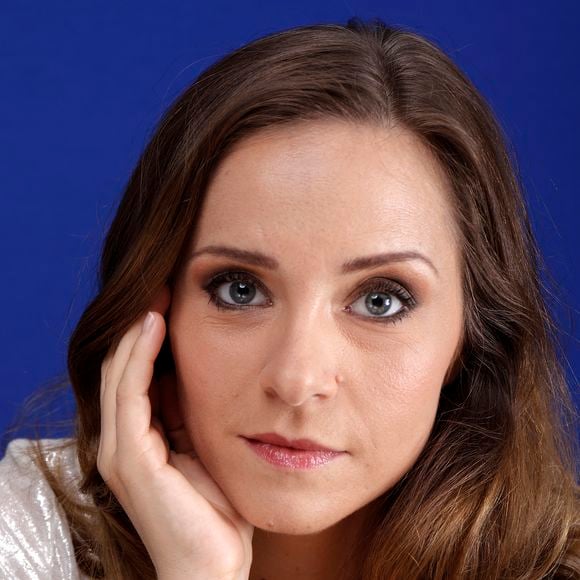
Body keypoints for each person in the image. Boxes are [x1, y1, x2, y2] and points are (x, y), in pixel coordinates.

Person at [0, 16, 578, 580]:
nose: (298, 380)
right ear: (157, 311)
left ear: (471, 336)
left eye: (382, 301)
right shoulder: (26, 534)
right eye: (240, 290)